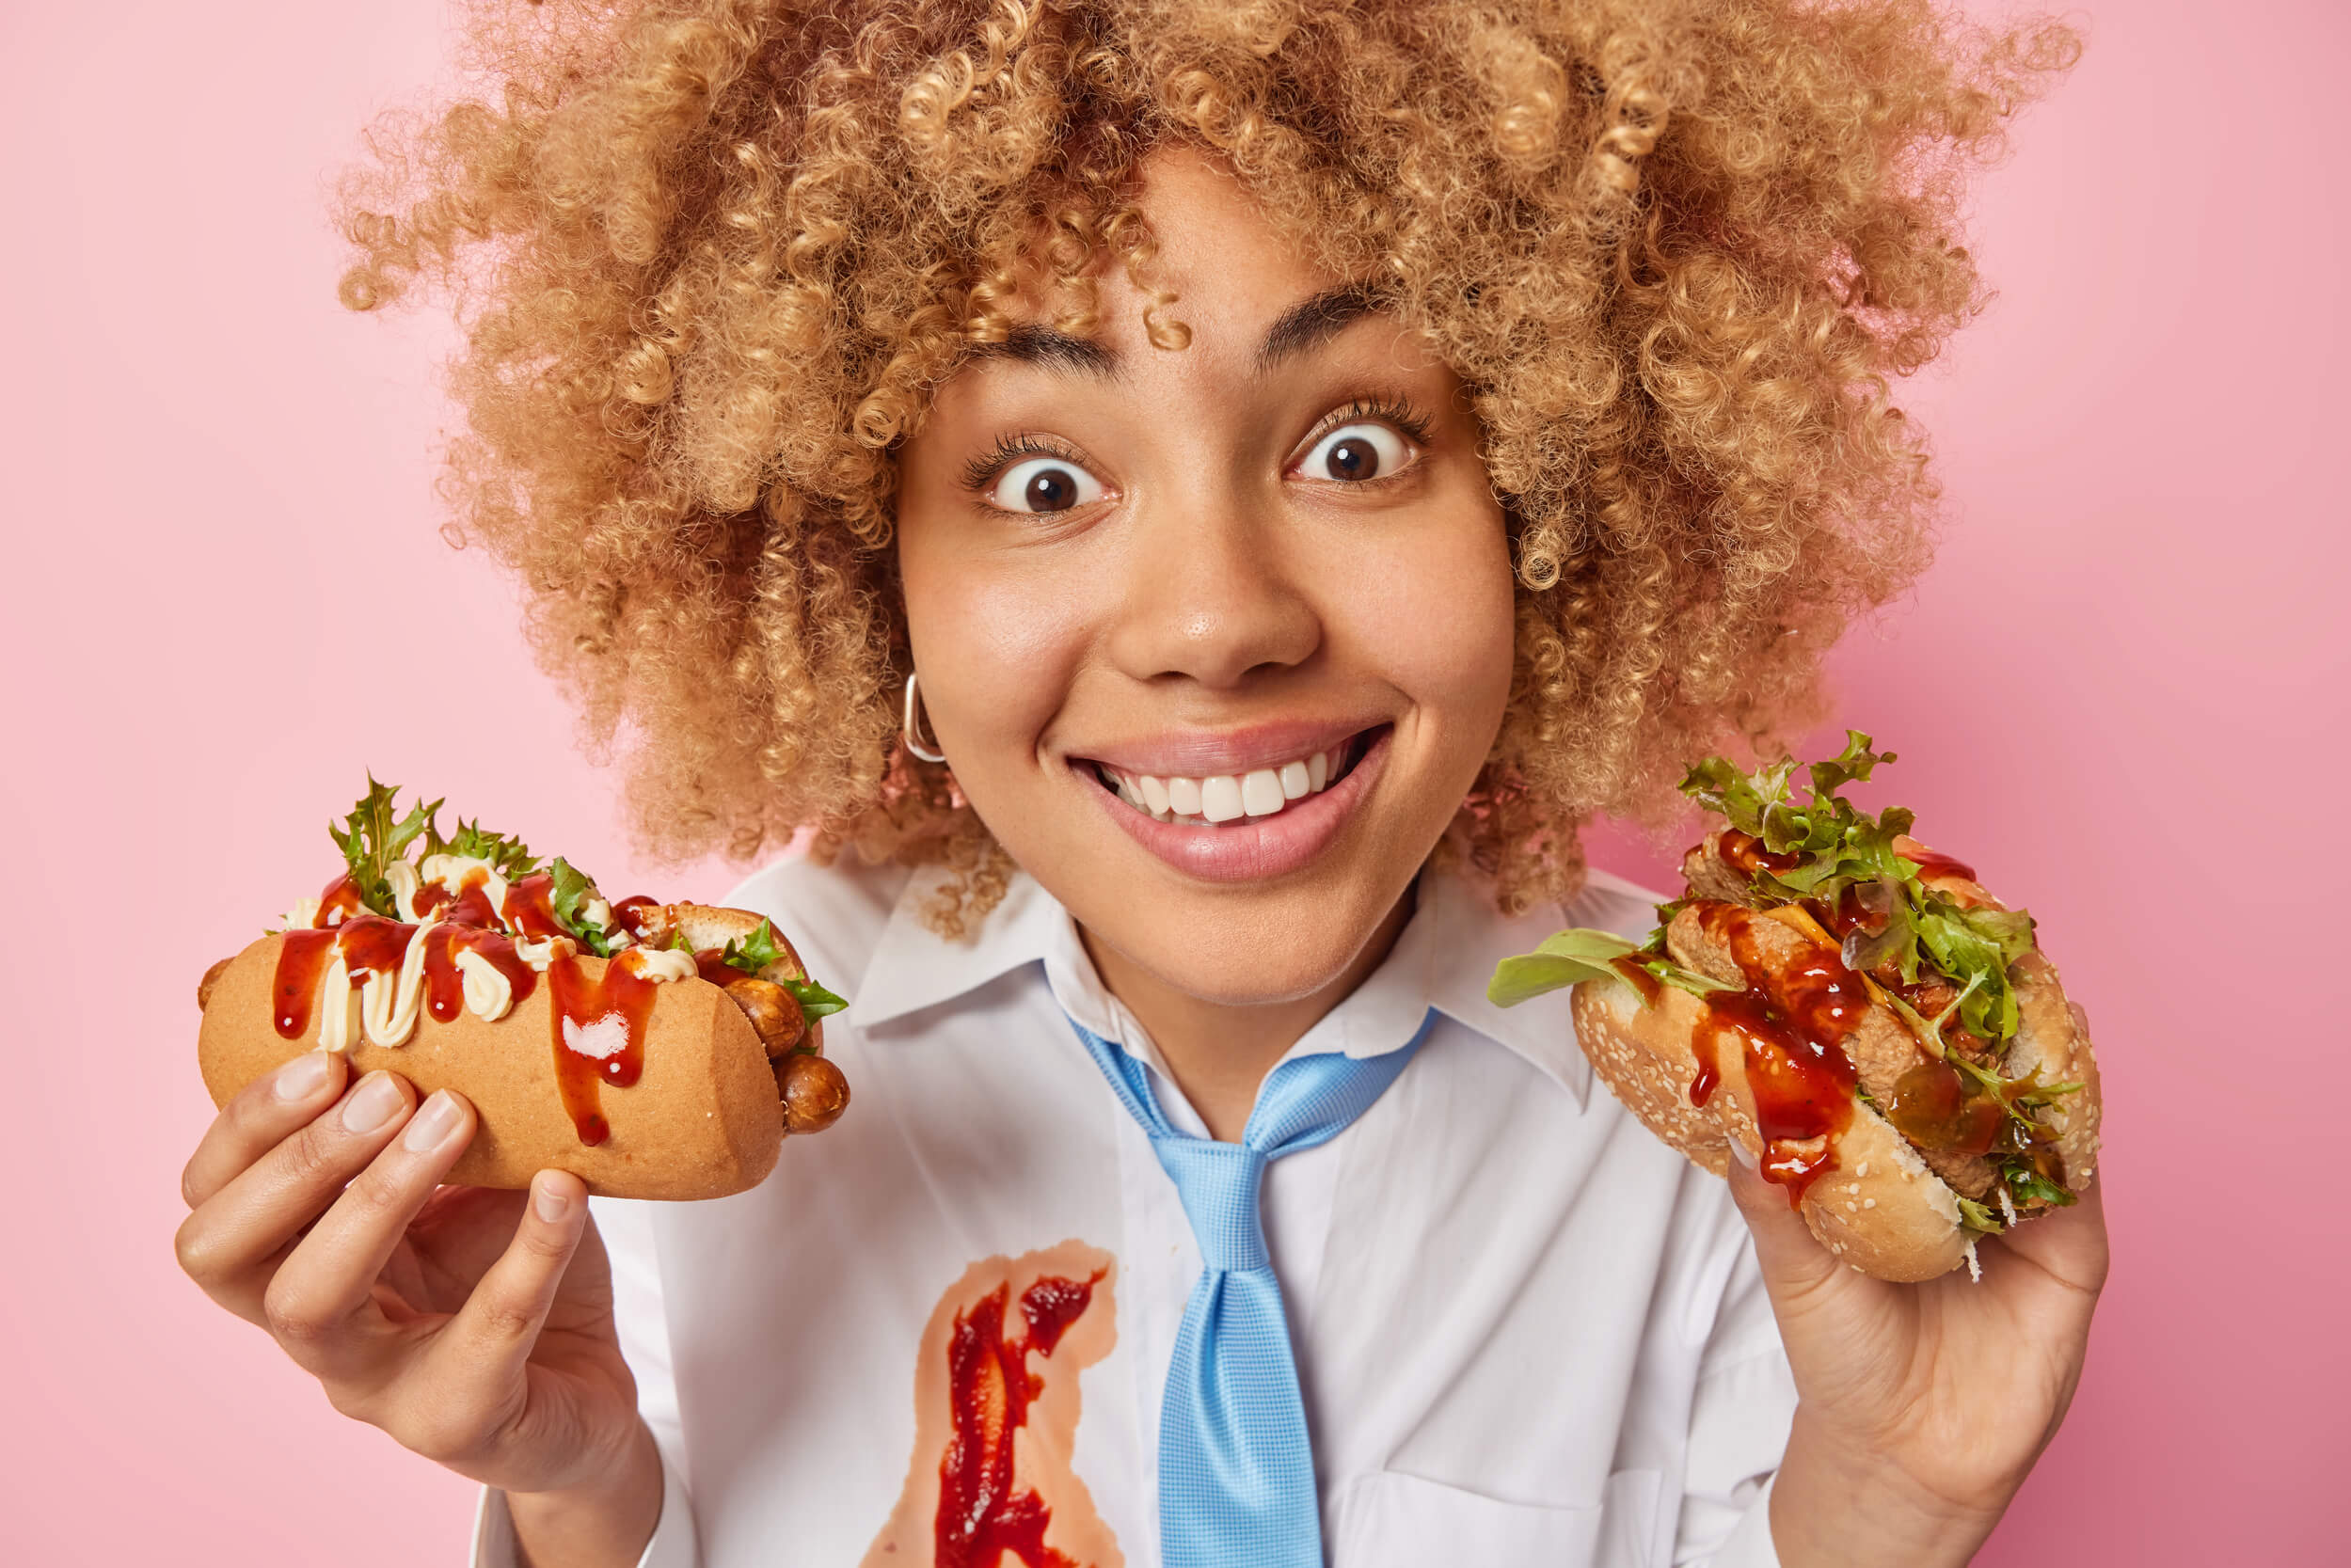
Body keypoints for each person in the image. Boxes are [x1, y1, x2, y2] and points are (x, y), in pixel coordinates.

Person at [173, 3, 2105, 1564]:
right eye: (1039, 482)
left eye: (1352, 447)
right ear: (869, 579)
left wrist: (1887, 1518)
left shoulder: (1738, 1132)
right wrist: (583, 1495)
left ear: (1548, 502)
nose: (1215, 619)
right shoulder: (679, 1127)